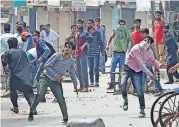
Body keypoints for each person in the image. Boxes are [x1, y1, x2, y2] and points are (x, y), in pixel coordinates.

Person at [28, 42, 78, 124]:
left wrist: (75, 84)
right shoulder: (56, 56)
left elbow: (72, 73)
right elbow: (46, 66)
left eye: (69, 47)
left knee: (60, 98)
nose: (67, 49)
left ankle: (65, 118)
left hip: (55, 81)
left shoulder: (71, 61)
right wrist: (57, 76)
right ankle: (31, 111)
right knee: (40, 95)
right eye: (66, 47)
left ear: (72, 51)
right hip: (45, 77)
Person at [121, 36, 161, 118]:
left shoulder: (149, 52)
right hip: (128, 68)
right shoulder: (136, 48)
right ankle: (125, 99)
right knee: (122, 84)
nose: (146, 41)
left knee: (139, 91)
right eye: (145, 40)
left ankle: (142, 110)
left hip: (137, 72)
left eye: (148, 41)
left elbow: (152, 60)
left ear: (150, 44)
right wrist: (151, 75)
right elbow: (142, 64)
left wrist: (158, 65)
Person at [2, 37, 36, 114]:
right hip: (25, 75)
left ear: (9, 44)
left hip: (15, 75)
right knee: (28, 91)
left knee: (13, 91)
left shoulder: (8, 52)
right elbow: (26, 62)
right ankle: (33, 107)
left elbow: (4, 63)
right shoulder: (22, 52)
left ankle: (15, 107)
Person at [106, 20, 131, 90]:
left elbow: (129, 39)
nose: (121, 26)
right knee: (112, 69)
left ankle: (121, 84)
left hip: (122, 53)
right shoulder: (116, 30)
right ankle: (112, 83)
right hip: (115, 52)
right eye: (120, 24)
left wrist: (127, 47)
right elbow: (111, 37)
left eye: (122, 24)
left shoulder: (126, 30)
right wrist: (107, 45)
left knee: (122, 70)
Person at [141, 28, 163, 93]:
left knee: (144, 75)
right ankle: (159, 88)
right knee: (151, 75)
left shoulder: (148, 40)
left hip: (147, 62)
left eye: (142, 33)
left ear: (146, 33)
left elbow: (152, 51)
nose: (141, 34)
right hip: (147, 61)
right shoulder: (148, 40)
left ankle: (142, 90)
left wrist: (156, 61)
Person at [75, 19, 93, 92]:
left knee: (84, 70)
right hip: (77, 54)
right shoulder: (77, 33)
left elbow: (91, 39)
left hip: (83, 54)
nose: (79, 24)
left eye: (80, 23)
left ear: (82, 24)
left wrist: (84, 45)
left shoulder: (85, 32)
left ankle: (86, 86)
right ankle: (81, 86)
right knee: (77, 70)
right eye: (78, 23)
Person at [0, 23, 15, 97]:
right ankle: (11, 88)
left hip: (4, 55)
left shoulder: (1, 37)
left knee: (6, 72)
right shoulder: (13, 36)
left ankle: (7, 88)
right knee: (12, 71)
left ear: (4, 29)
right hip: (12, 55)